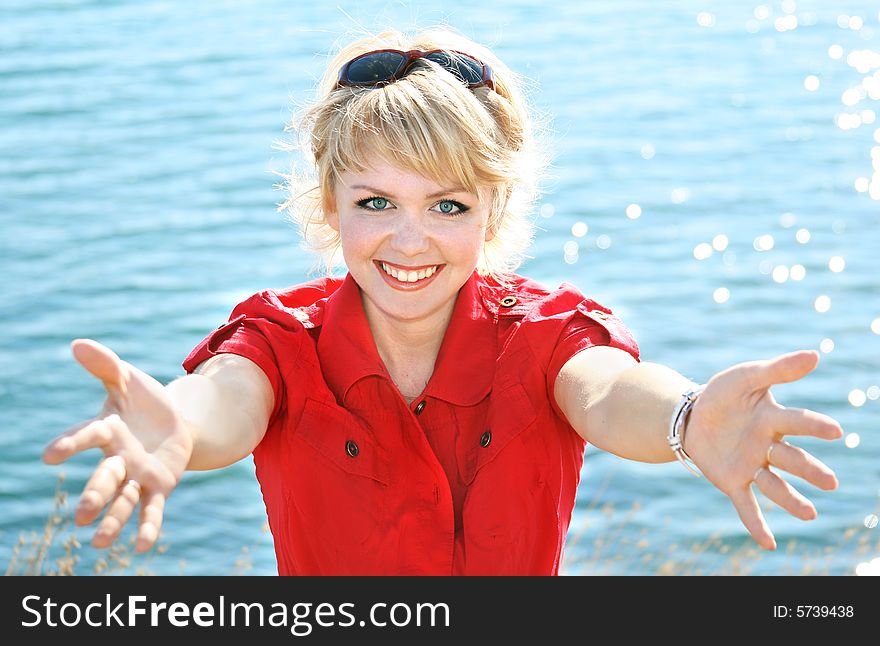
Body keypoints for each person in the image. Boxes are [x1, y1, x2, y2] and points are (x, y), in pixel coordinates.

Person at [43, 27, 843, 575]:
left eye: (448, 206)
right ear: (330, 203)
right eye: (375, 203)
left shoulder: (545, 333)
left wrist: (688, 418)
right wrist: (179, 425)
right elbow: (228, 398)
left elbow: (604, 390)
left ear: (494, 211)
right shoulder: (280, 340)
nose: (409, 241)